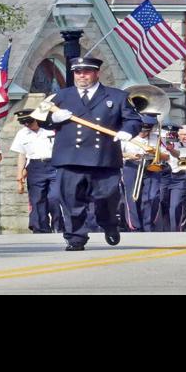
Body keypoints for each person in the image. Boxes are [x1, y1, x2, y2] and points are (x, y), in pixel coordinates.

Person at [39, 56, 143, 251]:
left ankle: (110, 223)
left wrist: (127, 131)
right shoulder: (61, 96)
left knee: (107, 198)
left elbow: (133, 120)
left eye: (86, 72)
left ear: (97, 73)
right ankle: (75, 238)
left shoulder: (115, 96)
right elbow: (40, 118)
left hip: (103, 157)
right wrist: (53, 118)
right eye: (78, 72)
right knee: (71, 200)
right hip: (69, 158)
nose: (82, 76)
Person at [10, 108, 58, 233]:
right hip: (35, 166)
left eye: (29, 122)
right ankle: (40, 228)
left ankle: (59, 225)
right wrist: (20, 173)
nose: (27, 125)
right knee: (37, 199)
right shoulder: (22, 133)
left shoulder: (51, 129)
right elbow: (22, 155)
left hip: (54, 164)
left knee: (55, 197)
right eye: (24, 123)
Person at [162, 125, 186, 232]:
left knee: (175, 205)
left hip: (178, 178)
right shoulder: (158, 142)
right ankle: (163, 229)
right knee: (161, 202)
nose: (170, 136)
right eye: (168, 133)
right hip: (161, 177)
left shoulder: (182, 146)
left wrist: (172, 151)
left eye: (172, 133)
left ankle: (174, 231)